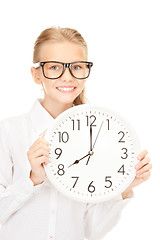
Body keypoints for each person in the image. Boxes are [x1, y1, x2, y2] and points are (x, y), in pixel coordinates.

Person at [0, 27, 152, 240]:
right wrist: (32, 179)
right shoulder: (8, 132)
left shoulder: (98, 139)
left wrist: (124, 187)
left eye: (77, 67)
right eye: (54, 67)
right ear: (36, 75)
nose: (67, 76)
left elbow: (91, 231)